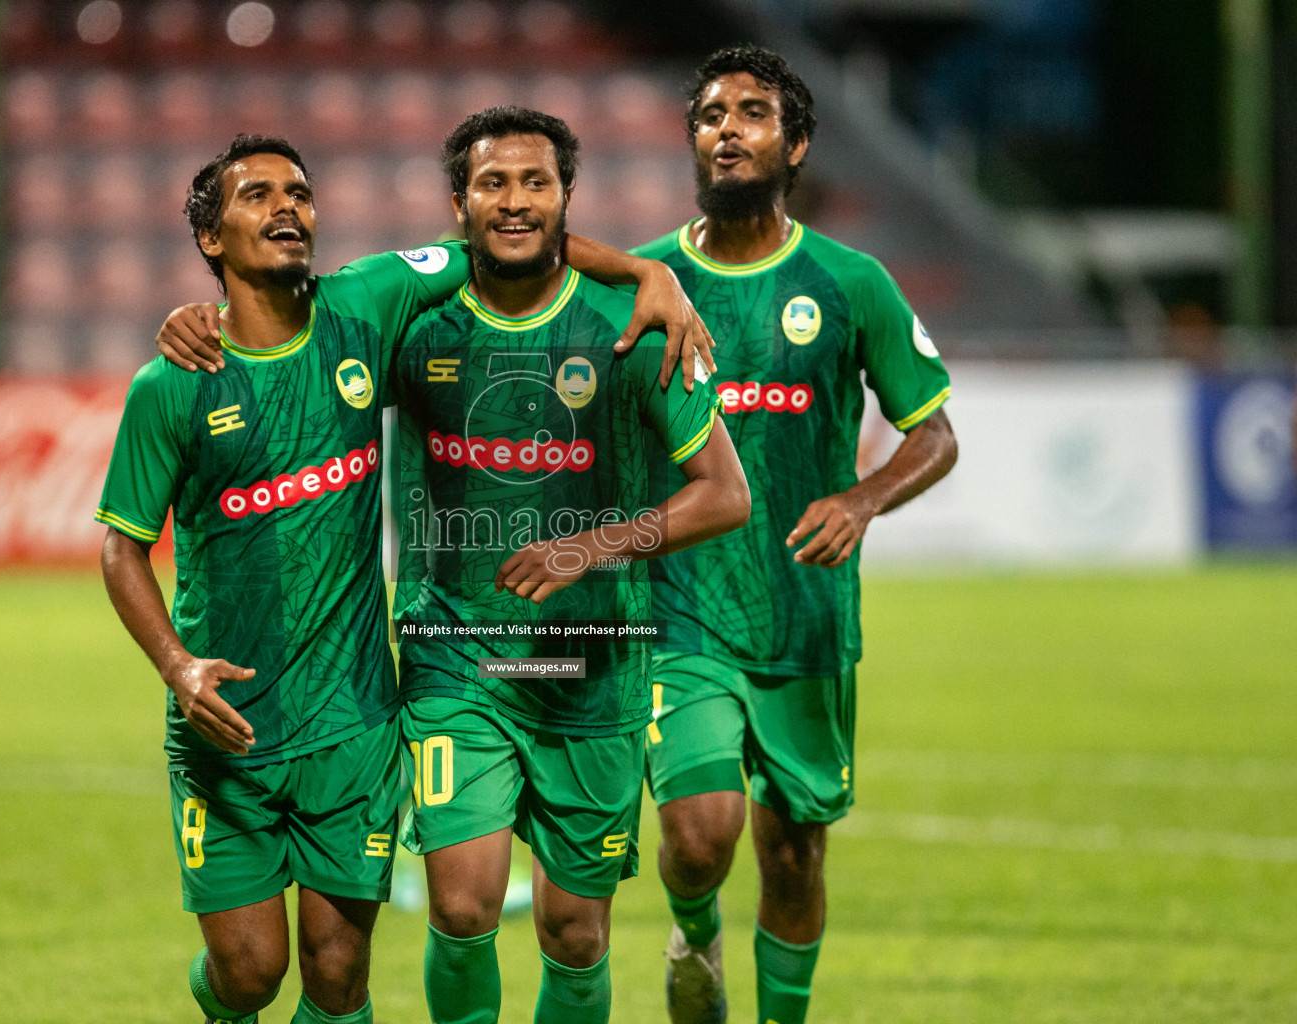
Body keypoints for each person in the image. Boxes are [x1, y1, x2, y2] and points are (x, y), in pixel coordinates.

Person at [123, 135, 715, 1024]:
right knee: (331, 950)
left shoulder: (375, 305)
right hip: (387, 683)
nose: (286, 208)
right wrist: (177, 664)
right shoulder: (192, 376)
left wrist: (646, 274)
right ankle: (223, 991)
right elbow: (119, 544)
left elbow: (513, 238)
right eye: (257, 197)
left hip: (481, 692)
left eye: (299, 191)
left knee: (547, 939)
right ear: (211, 237)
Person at [390, 107, 750, 1024]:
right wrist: (203, 315)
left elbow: (724, 493)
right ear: (458, 203)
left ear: (566, 197)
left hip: (594, 664)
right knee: (464, 904)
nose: (515, 202)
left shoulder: (633, 331)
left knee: (575, 933)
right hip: (456, 656)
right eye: (492, 184)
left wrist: (591, 546)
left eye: (536, 183)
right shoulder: (411, 324)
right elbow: (293, 324)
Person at [635, 46, 959, 1024]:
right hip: (680, 616)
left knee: (794, 850)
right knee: (700, 836)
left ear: (798, 142)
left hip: (806, 620)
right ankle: (694, 929)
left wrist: (862, 500)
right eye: (709, 114)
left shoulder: (851, 283)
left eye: (752, 112)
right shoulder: (641, 281)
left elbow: (935, 434)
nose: (726, 128)